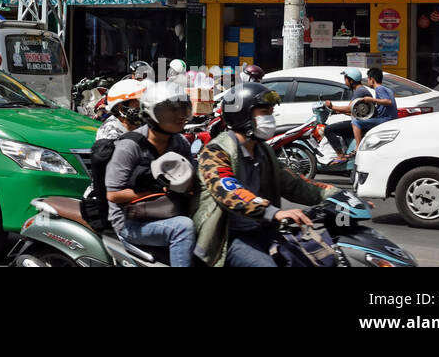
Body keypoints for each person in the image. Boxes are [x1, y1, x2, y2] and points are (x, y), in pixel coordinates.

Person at [194, 82, 332, 267]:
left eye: (271, 112)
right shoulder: (216, 152)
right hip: (228, 238)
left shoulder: (262, 150)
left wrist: (338, 196)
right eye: (264, 113)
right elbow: (230, 192)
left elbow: (294, 183)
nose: (271, 118)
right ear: (243, 115)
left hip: (263, 231)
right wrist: (273, 213)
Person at [101, 80, 198, 267]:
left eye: (182, 108)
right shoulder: (130, 146)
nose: (179, 115)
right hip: (129, 220)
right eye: (171, 109)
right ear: (152, 113)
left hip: (167, 211)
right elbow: (113, 195)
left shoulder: (180, 143)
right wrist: (157, 188)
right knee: (183, 228)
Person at [322, 68, 372, 158]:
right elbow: (354, 111)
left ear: (351, 80)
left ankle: (340, 155)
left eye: (345, 79)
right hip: (361, 122)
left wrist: (332, 106)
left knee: (328, 130)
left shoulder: (360, 91)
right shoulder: (360, 90)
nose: (345, 81)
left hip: (360, 125)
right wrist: (336, 111)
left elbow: (350, 109)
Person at [352, 67, 398, 149]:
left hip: (386, 119)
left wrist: (371, 99)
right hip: (391, 119)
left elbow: (388, 102)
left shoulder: (379, 89)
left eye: (368, 80)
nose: (368, 82)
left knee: (356, 122)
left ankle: (358, 148)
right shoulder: (387, 89)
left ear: (372, 80)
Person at [94, 78, 146, 143]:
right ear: (121, 108)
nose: (143, 107)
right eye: (138, 103)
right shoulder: (112, 132)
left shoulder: (140, 123)